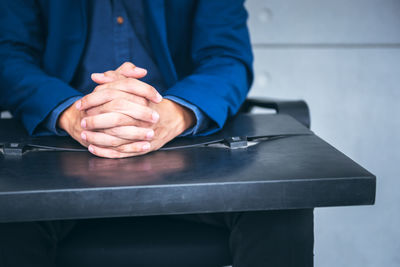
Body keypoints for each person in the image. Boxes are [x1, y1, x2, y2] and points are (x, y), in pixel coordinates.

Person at [0, 0, 314, 266]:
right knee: (8, 216)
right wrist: (73, 114)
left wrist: (172, 114)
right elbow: (10, 56)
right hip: (57, 154)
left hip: (191, 151)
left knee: (280, 205)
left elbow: (227, 58)